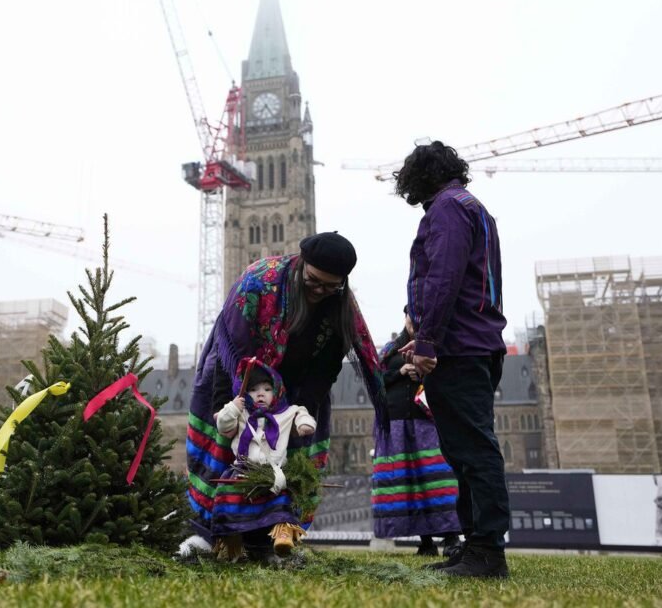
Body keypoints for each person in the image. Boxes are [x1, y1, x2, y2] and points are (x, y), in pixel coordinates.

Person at [183, 231, 385, 560]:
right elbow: (229, 350)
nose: (319, 292)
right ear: (302, 264)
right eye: (313, 281)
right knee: (224, 449)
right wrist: (232, 408)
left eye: (330, 286)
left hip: (296, 387)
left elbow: (326, 368)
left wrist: (298, 411)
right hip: (234, 375)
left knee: (289, 459)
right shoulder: (258, 282)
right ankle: (208, 535)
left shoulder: (339, 307)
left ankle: (273, 538)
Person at [394, 141, 510, 578]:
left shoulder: (445, 209)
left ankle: (487, 551)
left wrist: (427, 341)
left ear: (420, 175)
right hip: (475, 341)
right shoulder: (471, 206)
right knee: (463, 448)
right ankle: (473, 541)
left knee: (474, 449)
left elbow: (442, 278)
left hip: (459, 347)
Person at [372, 310, 460, 556]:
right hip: (397, 423)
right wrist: (400, 372)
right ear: (405, 317)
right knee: (409, 483)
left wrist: (422, 374)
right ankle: (426, 542)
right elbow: (375, 381)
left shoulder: (436, 347)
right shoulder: (390, 350)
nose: (415, 323)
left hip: (427, 423)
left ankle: (452, 538)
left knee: (437, 481)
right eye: (412, 317)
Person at [210, 358, 316, 560]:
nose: (260, 393)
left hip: (272, 470)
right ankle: (231, 542)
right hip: (242, 470)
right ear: (245, 394)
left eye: (267, 389)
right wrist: (233, 407)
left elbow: (302, 412)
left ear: (276, 392)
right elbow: (223, 425)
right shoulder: (239, 413)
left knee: (282, 499)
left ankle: (283, 535)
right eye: (254, 389)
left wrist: (304, 424)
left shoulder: (286, 413)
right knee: (227, 498)